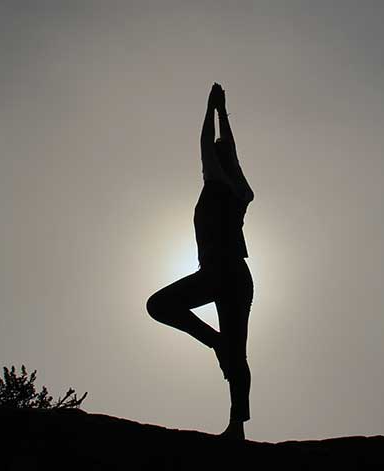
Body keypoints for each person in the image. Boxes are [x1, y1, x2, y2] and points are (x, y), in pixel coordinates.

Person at [147, 82, 255, 440]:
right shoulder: (241, 190)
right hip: (238, 275)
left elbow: (210, 145)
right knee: (238, 353)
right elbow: (230, 150)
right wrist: (223, 113)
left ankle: (215, 342)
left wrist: (211, 110)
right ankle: (237, 426)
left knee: (159, 305)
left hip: (219, 270)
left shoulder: (218, 182)